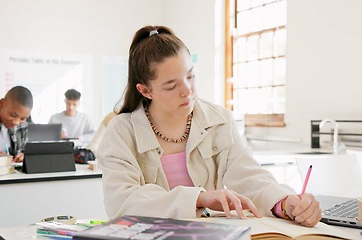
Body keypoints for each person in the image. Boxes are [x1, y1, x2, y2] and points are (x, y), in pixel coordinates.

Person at [98, 26, 322, 227]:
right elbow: (122, 201)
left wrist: (284, 203)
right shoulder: (121, 131)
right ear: (145, 91)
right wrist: (199, 198)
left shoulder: (219, 119)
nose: (187, 90)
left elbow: (249, 176)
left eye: (190, 76)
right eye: (170, 86)